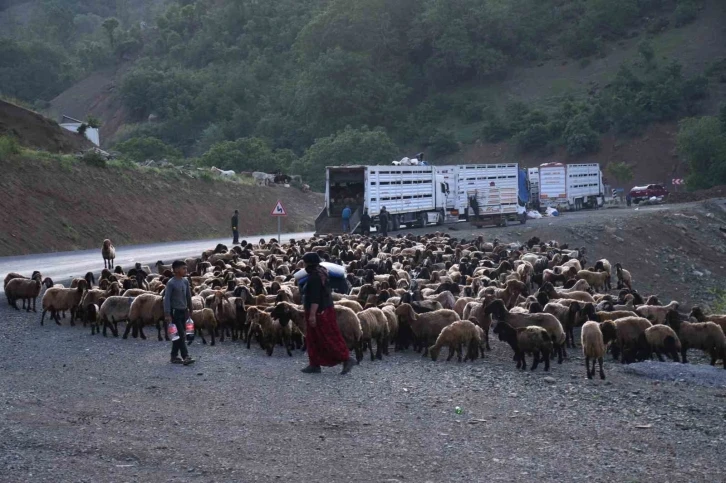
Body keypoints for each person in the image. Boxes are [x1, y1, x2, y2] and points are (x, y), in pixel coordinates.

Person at [299, 252, 355, 374]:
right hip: (326, 309)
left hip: (319, 312)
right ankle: (314, 364)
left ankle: (346, 358)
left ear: (309, 263)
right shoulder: (322, 272)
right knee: (314, 338)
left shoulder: (315, 277)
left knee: (327, 337)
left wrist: (313, 314)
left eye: (304, 262)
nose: (303, 265)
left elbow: (315, 297)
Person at [163, 260, 195, 365]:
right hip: (175, 312)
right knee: (181, 334)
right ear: (176, 270)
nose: (186, 270)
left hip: (184, 311)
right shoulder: (171, 283)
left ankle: (174, 356)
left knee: (178, 335)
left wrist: (191, 308)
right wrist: (167, 313)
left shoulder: (185, 281)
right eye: (183, 268)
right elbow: (166, 298)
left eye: (186, 268)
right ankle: (186, 356)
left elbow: (188, 296)